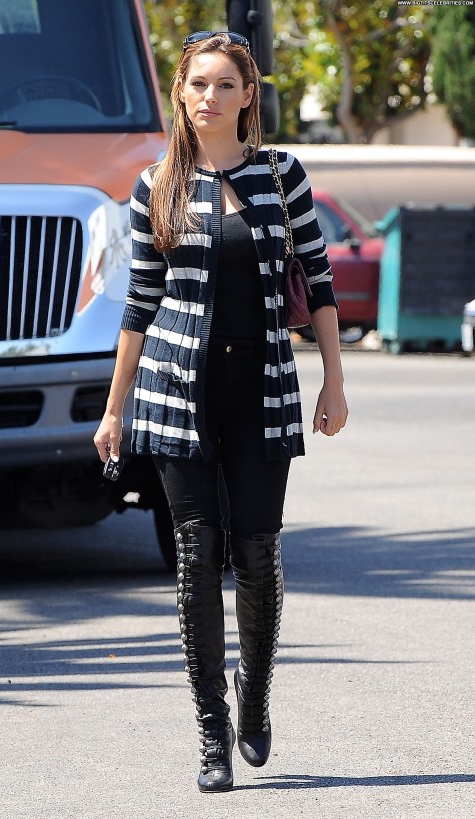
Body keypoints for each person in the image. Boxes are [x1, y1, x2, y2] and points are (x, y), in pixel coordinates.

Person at [94, 31, 348, 793]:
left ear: (248, 96)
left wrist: (334, 382)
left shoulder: (282, 174)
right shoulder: (156, 184)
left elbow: (320, 282)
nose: (210, 96)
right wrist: (114, 410)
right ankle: (210, 729)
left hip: (262, 385)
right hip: (177, 390)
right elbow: (139, 303)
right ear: (180, 92)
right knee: (196, 552)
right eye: (198, 83)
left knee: (257, 552)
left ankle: (253, 694)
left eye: (225, 84)